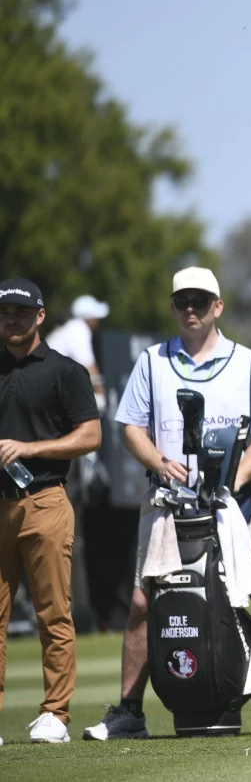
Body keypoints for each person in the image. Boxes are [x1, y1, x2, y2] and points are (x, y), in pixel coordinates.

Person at [82, 267, 251, 741]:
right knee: (143, 600)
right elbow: (130, 426)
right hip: (166, 503)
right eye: (182, 301)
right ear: (173, 308)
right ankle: (130, 711)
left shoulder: (248, 362)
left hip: (227, 507)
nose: (190, 308)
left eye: (200, 300)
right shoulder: (152, 361)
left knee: (226, 600)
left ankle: (221, 697)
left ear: (218, 306)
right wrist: (159, 459)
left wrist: (232, 479)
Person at [0, 278, 102, 744]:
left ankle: (55, 715)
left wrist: (30, 448)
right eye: (6, 313)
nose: (12, 319)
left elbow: (90, 436)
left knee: (52, 613)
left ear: (40, 316)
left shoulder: (65, 371)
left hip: (44, 500)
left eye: (22, 312)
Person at [46, 293, 111, 637]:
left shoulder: (62, 333)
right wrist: (100, 401)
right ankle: (77, 611)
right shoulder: (78, 330)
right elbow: (90, 370)